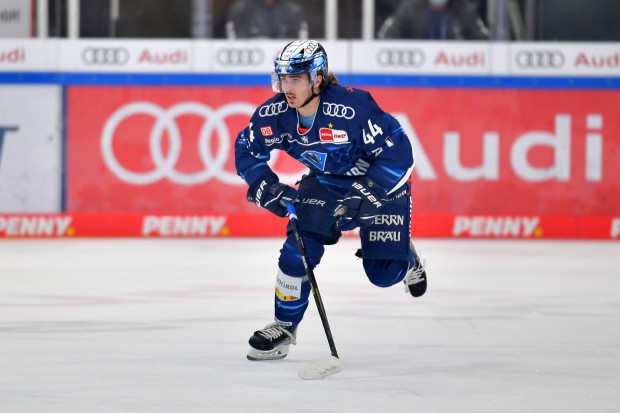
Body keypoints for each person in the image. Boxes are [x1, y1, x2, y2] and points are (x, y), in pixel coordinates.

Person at [234, 40, 428, 361]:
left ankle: (406, 257)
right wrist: (266, 186)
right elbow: (247, 147)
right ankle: (284, 326)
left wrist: (368, 192)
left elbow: (398, 152)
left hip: (381, 185)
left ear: (318, 79)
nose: (287, 88)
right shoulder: (275, 114)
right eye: (283, 79)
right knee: (298, 247)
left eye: (295, 80)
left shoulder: (353, 109)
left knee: (383, 273)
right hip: (325, 184)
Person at [377, 0, 489, 40]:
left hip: (454, 73)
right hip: (416, 72)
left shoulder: (465, 10)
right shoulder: (409, 8)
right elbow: (388, 36)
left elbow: (482, 42)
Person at [225, 0, 308, 39]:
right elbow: (235, 40)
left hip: (284, 60)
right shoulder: (240, 9)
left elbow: (298, 40)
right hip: (250, 62)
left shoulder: (294, 10)